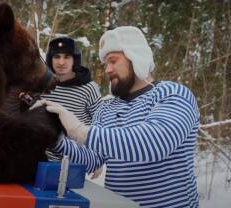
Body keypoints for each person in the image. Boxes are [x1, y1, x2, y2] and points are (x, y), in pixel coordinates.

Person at [32, 26, 200, 207]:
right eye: (105, 64)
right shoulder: (107, 108)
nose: (107, 70)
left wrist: (79, 130)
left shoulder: (172, 93)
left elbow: (155, 143)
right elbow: (91, 159)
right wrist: (53, 137)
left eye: (113, 61)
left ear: (137, 57)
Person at [41, 37, 101, 161]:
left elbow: (102, 123)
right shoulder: (41, 85)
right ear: (50, 59)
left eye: (67, 57)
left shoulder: (89, 88)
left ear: (75, 60)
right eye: (57, 57)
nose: (61, 62)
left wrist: (99, 156)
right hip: (39, 161)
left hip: (72, 163)